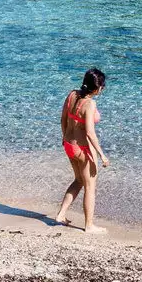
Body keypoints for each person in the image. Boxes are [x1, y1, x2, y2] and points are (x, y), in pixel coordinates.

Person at [54, 67, 109, 232]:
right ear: (97, 88)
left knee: (79, 180)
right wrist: (102, 155)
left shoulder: (72, 95)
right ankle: (89, 225)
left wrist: (65, 139)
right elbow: (90, 133)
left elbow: (63, 119)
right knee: (90, 186)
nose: (103, 88)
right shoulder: (90, 104)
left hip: (69, 145)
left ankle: (61, 215)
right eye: (102, 86)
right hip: (84, 149)